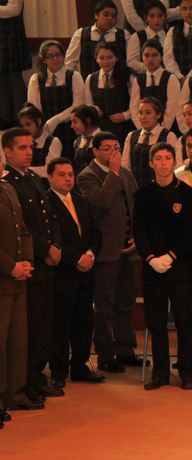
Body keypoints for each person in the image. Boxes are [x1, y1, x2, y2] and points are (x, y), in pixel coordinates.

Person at [132, 142, 192, 391]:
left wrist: (171, 256)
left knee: (184, 321)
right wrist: (151, 258)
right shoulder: (142, 195)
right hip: (152, 268)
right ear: (151, 163)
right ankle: (160, 372)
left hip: (179, 267)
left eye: (167, 158)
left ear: (174, 162)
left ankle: (186, 372)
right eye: (158, 158)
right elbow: (138, 232)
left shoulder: (187, 193)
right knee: (156, 322)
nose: (163, 163)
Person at [2, 127, 61, 404]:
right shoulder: (9, 183)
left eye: (30, 147)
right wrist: (45, 249)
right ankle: (24, 382)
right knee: (27, 329)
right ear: (7, 152)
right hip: (27, 262)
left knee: (43, 326)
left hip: (42, 263)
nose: (29, 152)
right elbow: (22, 228)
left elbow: (49, 217)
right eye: (22, 148)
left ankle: (36, 377)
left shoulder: (34, 178)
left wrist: (56, 245)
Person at [77, 131, 143, 373]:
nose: (113, 152)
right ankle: (105, 354)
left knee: (126, 302)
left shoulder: (126, 173)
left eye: (115, 147)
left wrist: (136, 235)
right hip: (105, 251)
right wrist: (113, 173)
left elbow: (136, 206)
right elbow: (101, 201)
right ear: (95, 151)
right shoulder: (87, 176)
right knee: (104, 305)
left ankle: (126, 350)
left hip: (129, 248)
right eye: (106, 148)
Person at [46, 157, 105, 387]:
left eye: (70, 174)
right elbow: (54, 239)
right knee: (61, 324)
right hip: (63, 273)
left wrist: (89, 253)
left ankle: (80, 366)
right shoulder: (46, 202)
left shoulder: (82, 201)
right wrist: (76, 259)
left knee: (83, 322)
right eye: (62, 175)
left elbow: (95, 233)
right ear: (50, 177)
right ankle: (58, 371)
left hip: (86, 273)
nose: (67, 179)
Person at [0, 171, 33, 426]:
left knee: (16, 340)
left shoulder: (8, 189)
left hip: (17, 277)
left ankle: (13, 393)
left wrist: (27, 262)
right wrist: (10, 266)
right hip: (4, 276)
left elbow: (23, 229)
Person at [26, 41, 86, 156]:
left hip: (71, 127)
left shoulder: (74, 76)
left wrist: (55, 120)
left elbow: (78, 107)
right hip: (46, 129)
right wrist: (43, 128)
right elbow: (34, 108)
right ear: (44, 60)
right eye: (50, 56)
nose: (55, 59)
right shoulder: (36, 79)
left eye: (58, 55)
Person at [83, 41, 135, 141]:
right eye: (102, 58)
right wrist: (94, 109)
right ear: (96, 59)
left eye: (110, 57)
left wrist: (125, 115)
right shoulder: (91, 78)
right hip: (100, 129)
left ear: (116, 58)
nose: (106, 61)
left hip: (124, 127)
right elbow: (88, 103)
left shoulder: (128, 77)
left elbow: (136, 103)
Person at [123, 96, 179, 186]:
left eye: (148, 113)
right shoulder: (132, 136)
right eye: (140, 113)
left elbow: (175, 166)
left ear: (158, 114)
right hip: (136, 188)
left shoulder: (168, 136)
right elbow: (125, 166)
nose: (143, 117)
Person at [128, 38, 180, 132]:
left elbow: (172, 108)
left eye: (154, 55)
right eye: (146, 55)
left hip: (167, 130)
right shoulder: (139, 80)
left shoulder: (170, 78)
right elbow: (134, 108)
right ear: (142, 58)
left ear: (161, 57)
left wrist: (160, 131)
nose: (150, 59)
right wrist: (143, 129)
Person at [66, 0, 127, 77]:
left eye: (113, 16)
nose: (110, 18)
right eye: (106, 15)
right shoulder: (81, 34)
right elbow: (70, 62)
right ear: (96, 15)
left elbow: (129, 62)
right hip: (87, 81)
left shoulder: (123, 35)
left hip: (117, 81)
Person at [0, 0, 30, 130]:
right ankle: (4, 118)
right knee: (2, 80)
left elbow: (14, 9)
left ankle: (20, 119)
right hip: (2, 38)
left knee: (14, 79)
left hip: (11, 37)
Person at [17, 105, 62, 176]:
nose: (25, 129)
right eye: (22, 126)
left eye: (28, 124)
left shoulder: (53, 142)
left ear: (38, 121)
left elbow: (50, 170)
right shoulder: (22, 142)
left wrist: (25, 170)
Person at [125, 0, 166, 75]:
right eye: (152, 16)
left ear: (165, 17)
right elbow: (131, 63)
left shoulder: (171, 34)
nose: (156, 20)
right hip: (144, 77)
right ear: (146, 18)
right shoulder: (136, 37)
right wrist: (151, 67)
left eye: (160, 16)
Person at [69, 104, 102, 174]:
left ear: (87, 121)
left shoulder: (105, 139)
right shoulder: (77, 142)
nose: (72, 126)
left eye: (75, 122)